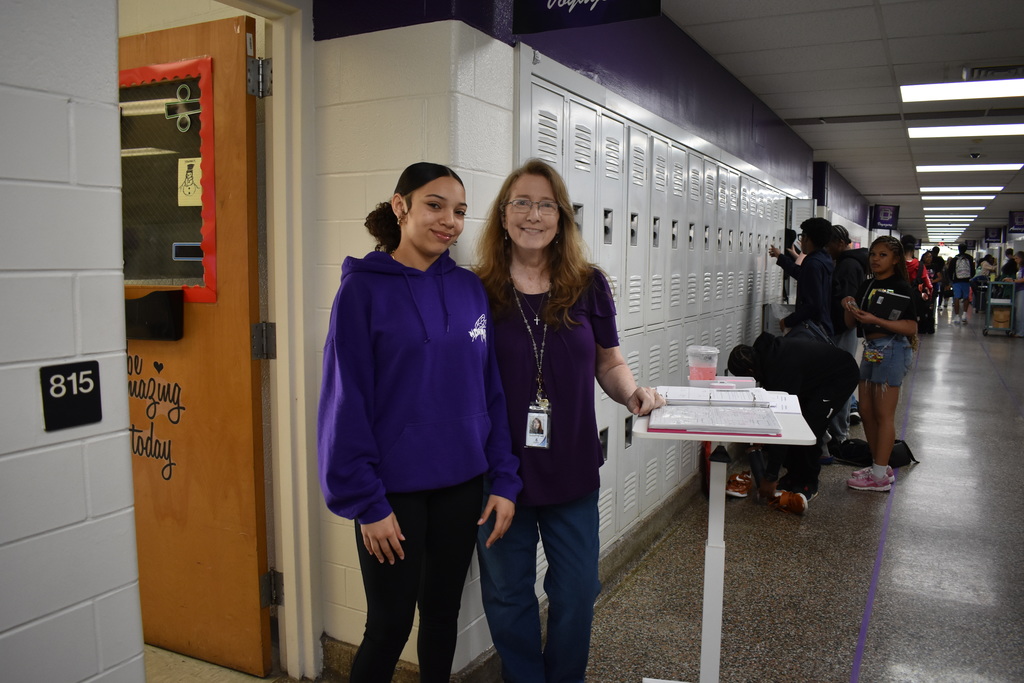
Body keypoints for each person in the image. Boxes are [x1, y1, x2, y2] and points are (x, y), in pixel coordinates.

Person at [317, 162, 523, 683]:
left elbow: (491, 393)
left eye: (458, 211)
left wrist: (504, 476)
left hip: (461, 484)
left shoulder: (471, 290)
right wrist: (367, 504)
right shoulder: (362, 291)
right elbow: (347, 402)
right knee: (388, 626)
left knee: (441, 617)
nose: (449, 221)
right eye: (435, 205)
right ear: (400, 205)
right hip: (393, 494)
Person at [474, 159, 664, 683]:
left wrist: (633, 394)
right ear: (503, 215)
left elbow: (609, 361)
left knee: (578, 591)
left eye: (544, 204)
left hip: (571, 468)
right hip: (501, 474)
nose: (532, 214)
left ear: (561, 217)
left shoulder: (587, 284)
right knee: (508, 594)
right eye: (520, 203)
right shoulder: (478, 289)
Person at [727, 332, 859, 513]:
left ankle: (808, 482)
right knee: (800, 422)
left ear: (750, 371)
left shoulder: (779, 369)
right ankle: (794, 475)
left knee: (811, 427)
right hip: (814, 379)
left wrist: (771, 475)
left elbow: (783, 424)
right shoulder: (765, 358)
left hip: (840, 376)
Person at [841, 236, 918, 492]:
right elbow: (851, 324)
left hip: (893, 349)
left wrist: (876, 319)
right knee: (866, 411)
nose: (875, 259)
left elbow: (911, 326)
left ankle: (878, 478)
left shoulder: (901, 287)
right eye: (873, 254)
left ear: (895, 259)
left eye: (883, 255)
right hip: (871, 350)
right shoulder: (867, 285)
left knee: (884, 414)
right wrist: (849, 306)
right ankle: (879, 466)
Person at [824, 225, 867, 459]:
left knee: (838, 383)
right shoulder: (848, 262)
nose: (827, 249)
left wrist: (837, 328)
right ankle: (839, 432)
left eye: (830, 244)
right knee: (839, 381)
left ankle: (839, 436)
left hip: (841, 330)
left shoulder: (849, 265)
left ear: (841, 243)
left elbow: (849, 302)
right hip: (841, 330)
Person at [769, 217, 835, 341]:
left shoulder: (813, 264)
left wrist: (788, 321)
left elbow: (813, 305)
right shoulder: (823, 259)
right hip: (822, 325)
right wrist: (780, 257)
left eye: (802, 236)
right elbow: (802, 275)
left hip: (814, 330)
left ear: (807, 238)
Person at [900, 234, 932, 327]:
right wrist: (929, 299)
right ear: (913, 249)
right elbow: (929, 285)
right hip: (914, 300)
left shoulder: (896, 264)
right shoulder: (920, 265)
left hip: (897, 298)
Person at [947, 243, 975, 325]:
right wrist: (969, 277)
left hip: (956, 280)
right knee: (966, 297)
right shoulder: (969, 258)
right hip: (966, 280)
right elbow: (973, 270)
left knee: (956, 298)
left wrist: (951, 280)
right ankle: (964, 315)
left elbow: (950, 270)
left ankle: (957, 316)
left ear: (958, 249)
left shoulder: (955, 259)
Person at [1003, 251, 1024, 338]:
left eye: (1017, 258)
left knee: (1020, 312)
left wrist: (1013, 281)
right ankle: (1016, 329)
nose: (1015, 260)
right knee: (1016, 311)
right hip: (1018, 290)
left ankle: (1020, 332)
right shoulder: (1020, 268)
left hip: (1022, 290)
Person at [919, 250, 938, 334]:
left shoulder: (934, 267)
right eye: (927, 256)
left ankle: (930, 328)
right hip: (922, 290)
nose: (928, 258)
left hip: (932, 290)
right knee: (922, 308)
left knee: (930, 308)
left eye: (930, 256)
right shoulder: (920, 266)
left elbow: (940, 277)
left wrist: (931, 282)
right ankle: (922, 327)